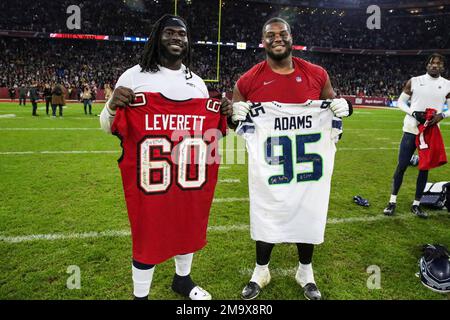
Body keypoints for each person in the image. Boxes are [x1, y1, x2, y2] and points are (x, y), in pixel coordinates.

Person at [99, 14, 230, 300]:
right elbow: (109, 126)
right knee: (148, 235)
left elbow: (210, 136)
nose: (176, 38)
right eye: (169, 33)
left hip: (187, 175)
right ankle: (140, 295)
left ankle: (182, 281)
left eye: (181, 34)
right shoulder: (133, 77)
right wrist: (111, 106)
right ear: (157, 37)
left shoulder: (197, 83)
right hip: (151, 179)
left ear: (187, 41)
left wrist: (225, 119)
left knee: (188, 226)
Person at [230, 17, 352, 300]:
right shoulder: (249, 79)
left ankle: (305, 272)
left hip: (308, 168)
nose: (277, 38)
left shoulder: (316, 74)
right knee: (266, 211)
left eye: (282, 33)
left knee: (309, 211)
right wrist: (234, 115)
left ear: (290, 37)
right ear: (263, 41)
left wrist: (346, 107)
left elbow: (333, 110)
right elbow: (237, 118)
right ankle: (261, 271)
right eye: (270, 35)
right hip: (271, 167)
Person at [383, 53, 450, 219]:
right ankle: (392, 202)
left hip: (430, 133)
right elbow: (400, 102)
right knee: (402, 165)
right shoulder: (414, 81)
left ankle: (416, 204)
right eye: (432, 62)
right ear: (427, 65)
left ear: (442, 67)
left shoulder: (447, 85)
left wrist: (442, 115)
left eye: (438, 63)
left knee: (424, 168)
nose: (435, 65)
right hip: (411, 129)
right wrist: (413, 112)